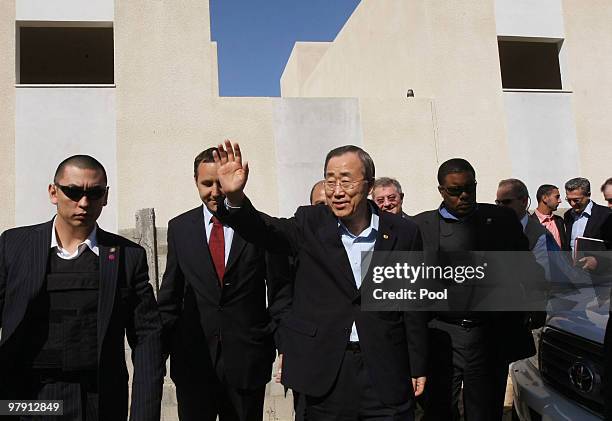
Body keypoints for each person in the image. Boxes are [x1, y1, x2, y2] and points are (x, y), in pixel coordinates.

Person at [214, 141, 428, 421]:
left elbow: (411, 304)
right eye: (330, 181)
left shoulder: (403, 232)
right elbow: (266, 231)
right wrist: (236, 199)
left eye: (346, 182)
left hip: (384, 369)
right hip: (326, 372)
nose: (337, 192)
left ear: (369, 185)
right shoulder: (310, 222)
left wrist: (418, 364)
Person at [0, 155, 163, 421]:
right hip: (30, 402)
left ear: (106, 196)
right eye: (73, 192)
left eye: (95, 193)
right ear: (54, 192)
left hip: (99, 404)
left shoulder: (126, 257)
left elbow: (148, 339)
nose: (84, 203)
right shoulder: (14, 247)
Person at [157, 147, 292, 421]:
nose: (215, 192)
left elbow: (279, 297)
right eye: (207, 184)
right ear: (195, 182)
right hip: (193, 363)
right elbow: (170, 295)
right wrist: (157, 351)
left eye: (220, 183)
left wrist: (285, 347)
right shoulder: (180, 228)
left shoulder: (262, 228)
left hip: (247, 362)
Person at [414, 159, 536, 421]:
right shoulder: (419, 228)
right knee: (439, 410)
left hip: (489, 336)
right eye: (455, 191)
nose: (464, 196)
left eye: (470, 188)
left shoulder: (501, 220)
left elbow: (528, 270)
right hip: (440, 334)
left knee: (485, 412)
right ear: (441, 191)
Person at [563, 177, 612, 270]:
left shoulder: (606, 215)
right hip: (574, 274)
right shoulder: (568, 215)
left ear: (588, 195)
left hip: (599, 277)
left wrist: (597, 261)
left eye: (576, 200)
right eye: (568, 200)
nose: (572, 204)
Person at [532, 184, 568, 250]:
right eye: (557, 197)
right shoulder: (529, 222)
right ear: (545, 198)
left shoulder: (559, 220)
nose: (560, 201)